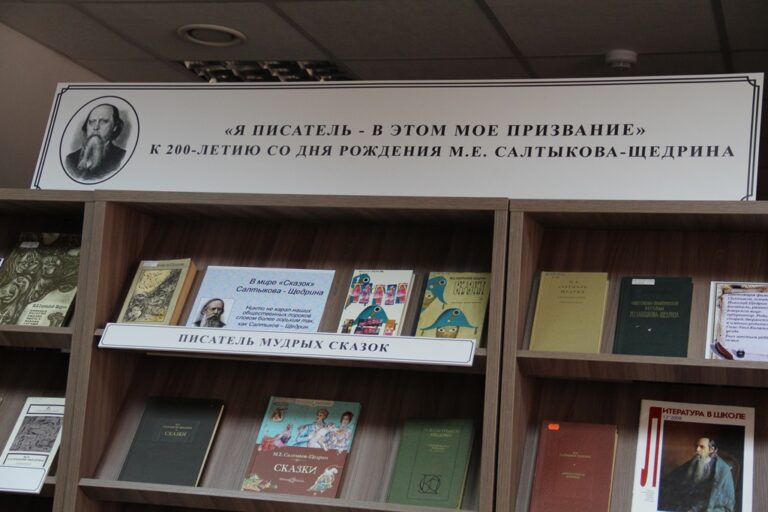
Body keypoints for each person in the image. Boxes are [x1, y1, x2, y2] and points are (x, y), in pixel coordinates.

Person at [659, 437, 736, 512]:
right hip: (688, 504)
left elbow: (725, 501)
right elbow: (672, 479)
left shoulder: (723, 470)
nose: (697, 449)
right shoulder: (693, 462)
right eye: (696, 446)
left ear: (711, 450)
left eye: (702, 447)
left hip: (710, 506)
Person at [65, 103, 126, 181]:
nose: (96, 127)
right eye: (92, 122)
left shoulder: (121, 157)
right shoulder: (70, 159)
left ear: (115, 127)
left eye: (103, 121)